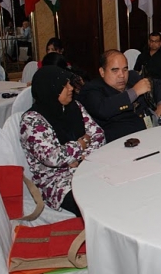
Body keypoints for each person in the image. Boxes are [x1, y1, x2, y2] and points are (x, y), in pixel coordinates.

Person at [20, 66, 105, 216]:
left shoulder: (74, 106)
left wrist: (78, 157)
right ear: (49, 89)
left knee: (117, 189)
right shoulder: (32, 121)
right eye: (64, 86)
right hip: (56, 182)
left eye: (69, 83)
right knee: (96, 203)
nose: (70, 88)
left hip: (86, 168)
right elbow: (52, 157)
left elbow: (98, 135)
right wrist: (80, 145)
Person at [78, 50, 161, 142]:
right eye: (115, 70)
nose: (122, 75)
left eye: (125, 69)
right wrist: (134, 92)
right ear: (102, 72)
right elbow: (102, 109)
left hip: (152, 134)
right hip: (121, 144)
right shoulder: (92, 89)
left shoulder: (133, 77)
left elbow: (160, 84)